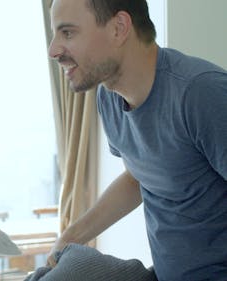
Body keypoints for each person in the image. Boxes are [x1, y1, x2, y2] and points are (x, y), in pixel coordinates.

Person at [46, 0, 227, 280]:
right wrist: (71, 236)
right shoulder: (109, 97)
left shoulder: (200, 94)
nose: (53, 50)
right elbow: (137, 176)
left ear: (119, 28)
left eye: (68, 33)